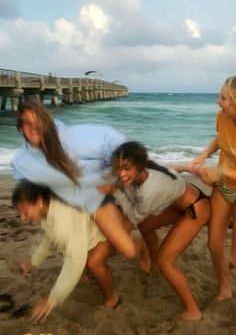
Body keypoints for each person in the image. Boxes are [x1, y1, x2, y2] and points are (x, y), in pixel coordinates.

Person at [12, 100, 137, 260]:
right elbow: (28, 190)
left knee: (128, 251)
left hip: (95, 197)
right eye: (28, 123)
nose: (34, 127)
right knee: (71, 244)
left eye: (38, 122)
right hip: (70, 203)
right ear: (21, 128)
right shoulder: (24, 161)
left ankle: (133, 231)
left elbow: (111, 144)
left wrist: (112, 176)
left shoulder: (68, 138)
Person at [108, 141, 210, 321]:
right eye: (118, 168)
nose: (121, 174)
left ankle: (192, 310)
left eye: (126, 168)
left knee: (166, 261)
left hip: (195, 210)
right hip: (180, 204)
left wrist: (116, 192)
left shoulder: (149, 191)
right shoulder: (148, 168)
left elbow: (134, 216)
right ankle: (152, 261)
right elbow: (170, 168)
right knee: (147, 226)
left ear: (139, 166)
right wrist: (186, 167)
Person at [12, 180, 121, 322]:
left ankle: (112, 298)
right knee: (65, 247)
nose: (23, 218)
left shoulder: (63, 220)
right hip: (83, 234)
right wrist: (33, 262)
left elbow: (75, 261)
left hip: (106, 232)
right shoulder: (48, 207)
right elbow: (49, 238)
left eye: (25, 212)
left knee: (93, 263)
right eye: (20, 213)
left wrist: (53, 299)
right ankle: (82, 277)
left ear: (39, 201)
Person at [190, 76, 236, 300]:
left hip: (225, 177)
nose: (218, 102)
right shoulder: (223, 116)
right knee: (214, 241)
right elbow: (221, 137)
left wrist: (221, 172)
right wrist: (204, 154)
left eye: (224, 98)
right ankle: (224, 289)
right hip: (226, 187)